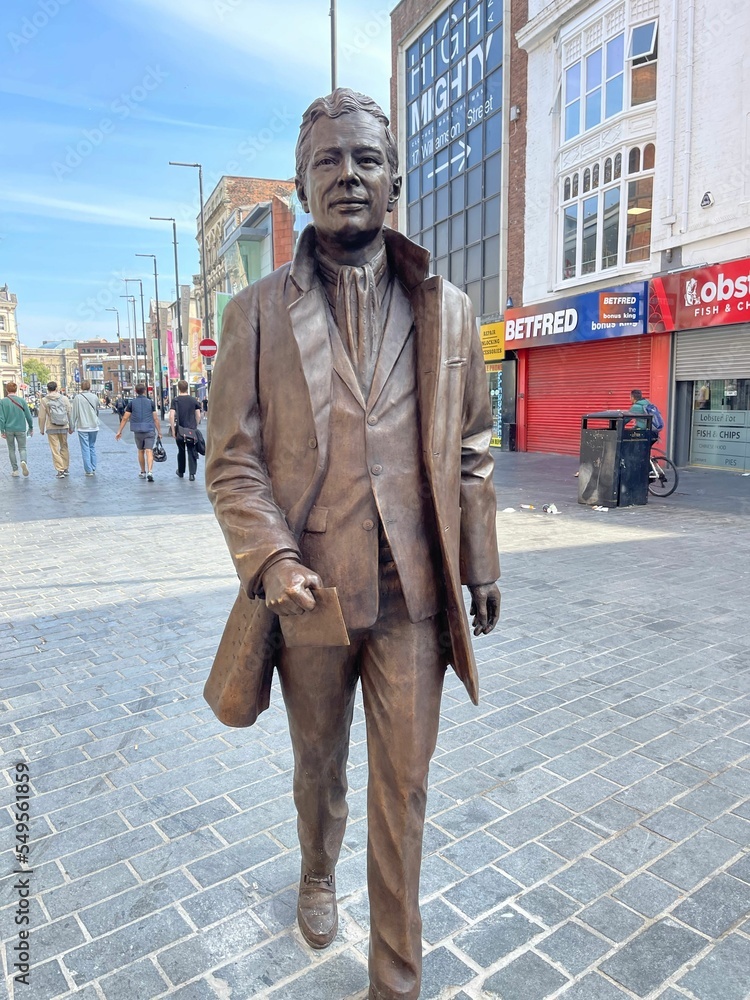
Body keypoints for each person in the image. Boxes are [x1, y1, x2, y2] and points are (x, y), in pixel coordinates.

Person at [204, 89, 500, 1000]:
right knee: (319, 763)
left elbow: (472, 447)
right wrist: (274, 559)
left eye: (365, 159)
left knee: (403, 789)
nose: (347, 176)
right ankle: (317, 869)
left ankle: (396, 982)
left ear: (395, 180)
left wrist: (480, 561)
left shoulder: (447, 310)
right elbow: (233, 462)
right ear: (301, 183)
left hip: (414, 593)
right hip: (313, 598)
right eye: (328, 161)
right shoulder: (254, 315)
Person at [115, 383, 160, 482]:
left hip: (138, 430)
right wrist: (159, 431)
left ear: (135, 391)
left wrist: (119, 431)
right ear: (144, 391)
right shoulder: (151, 403)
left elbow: (125, 418)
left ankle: (143, 471)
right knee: (149, 450)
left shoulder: (132, 403)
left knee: (140, 451)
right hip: (149, 429)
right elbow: (155, 418)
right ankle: (150, 471)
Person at [38, 381, 73, 478]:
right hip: (63, 426)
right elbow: (69, 412)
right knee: (64, 446)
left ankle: (60, 470)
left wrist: (41, 429)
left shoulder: (44, 400)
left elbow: (41, 416)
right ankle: (65, 467)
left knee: (55, 449)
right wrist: (71, 426)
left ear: (48, 389)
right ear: (56, 388)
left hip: (51, 427)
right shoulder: (64, 398)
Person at [169, 381, 202, 481]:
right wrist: (195, 425)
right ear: (187, 388)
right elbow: (198, 415)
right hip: (191, 430)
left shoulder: (175, 400)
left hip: (180, 429)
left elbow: (171, 415)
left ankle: (181, 471)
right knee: (192, 451)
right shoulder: (193, 400)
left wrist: (173, 430)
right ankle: (192, 474)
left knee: (181, 451)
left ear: (178, 388)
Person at [0, 382, 34, 477]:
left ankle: (15, 470)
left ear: (7, 390)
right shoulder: (21, 401)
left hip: (9, 429)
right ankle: (23, 461)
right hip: (21, 428)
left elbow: (1, 418)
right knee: (22, 448)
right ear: (16, 390)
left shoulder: (2, 402)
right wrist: (31, 427)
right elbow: (28, 416)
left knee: (11, 449)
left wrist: (2, 430)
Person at [71, 380, 100, 476]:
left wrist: (72, 426)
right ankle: (93, 466)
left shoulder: (78, 398)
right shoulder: (95, 397)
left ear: (81, 387)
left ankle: (88, 470)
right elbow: (97, 409)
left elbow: (74, 413)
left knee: (85, 448)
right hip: (94, 426)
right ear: (90, 387)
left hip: (83, 426)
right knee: (92, 446)